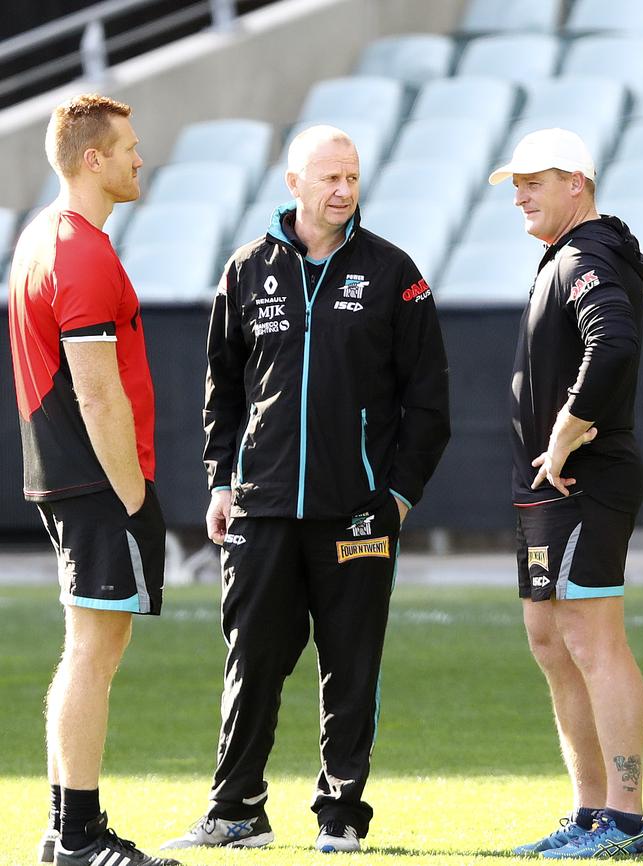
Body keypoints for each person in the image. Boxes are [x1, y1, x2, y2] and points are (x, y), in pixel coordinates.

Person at [161, 124, 450, 854]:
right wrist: (219, 482)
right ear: (293, 184)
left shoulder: (395, 274)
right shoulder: (245, 270)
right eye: (329, 178)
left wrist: (400, 497)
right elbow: (221, 393)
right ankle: (237, 810)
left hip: (357, 513)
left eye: (351, 177)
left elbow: (430, 404)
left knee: (350, 668)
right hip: (259, 510)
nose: (343, 191)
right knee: (251, 659)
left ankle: (342, 813)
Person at [8, 94, 180, 866]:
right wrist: (135, 496)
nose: (140, 157)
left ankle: (63, 830)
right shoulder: (78, 249)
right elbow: (96, 389)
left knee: (86, 649)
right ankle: (78, 835)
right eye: (129, 146)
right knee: (92, 653)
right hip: (96, 483)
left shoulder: (38, 237)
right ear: (92, 159)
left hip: (69, 479)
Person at [488, 127, 643, 859]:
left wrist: (566, 430)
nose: (520, 195)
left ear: (575, 183)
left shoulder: (587, 256)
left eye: (534, 181)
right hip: (549, 489)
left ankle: (624, 817)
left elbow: (612, 343)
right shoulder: (564, 257)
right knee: (552, 641)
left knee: (590, 637)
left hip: (586, 476)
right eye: (515, 183)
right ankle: (588, 813)